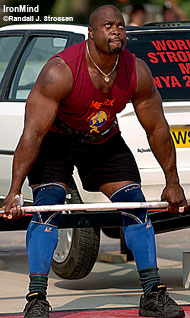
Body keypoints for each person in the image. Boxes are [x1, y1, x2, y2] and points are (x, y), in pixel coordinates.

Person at [2, 4, 187, 318]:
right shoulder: (60, 71)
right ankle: (36, 298)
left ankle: (152, 295)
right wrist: (15, 190)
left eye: (120, 26)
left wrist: (172, 182)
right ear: (91, 33)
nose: (116, 31)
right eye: (108, 26)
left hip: (102, 141)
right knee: (50, 204)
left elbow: (156, 127)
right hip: (55, 142)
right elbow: (32, 133)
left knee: (135, 205)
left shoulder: (135, 70)